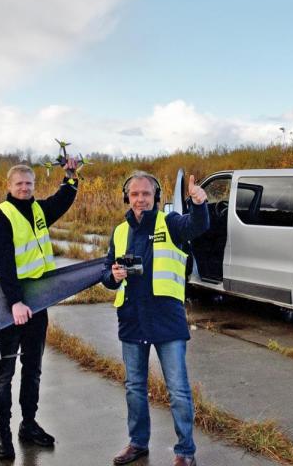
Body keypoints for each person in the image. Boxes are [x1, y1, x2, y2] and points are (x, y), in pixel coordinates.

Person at [102, 171, 209, 466]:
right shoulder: (120, 232)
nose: (140, 199)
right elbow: (105, 273)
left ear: (156, 197)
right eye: (134, 194)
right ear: (127, 197)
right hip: (132, 320)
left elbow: (197, 226)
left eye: (146, 194)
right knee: (134, 387)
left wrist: (199, 204)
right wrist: (112, 276)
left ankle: (185, 452)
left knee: (177, 389)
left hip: (166, 321)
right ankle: (138, 443)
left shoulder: (170, 223)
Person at [0, 160, 79, 460]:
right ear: (9, 187)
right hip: (10, 305)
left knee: (33, 368)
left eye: (29, 184)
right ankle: (4, 433)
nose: (25, 189)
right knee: (5, 373)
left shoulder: (38, 210)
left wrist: (71, 177)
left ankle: (28, 424)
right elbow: (3, 263)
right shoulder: (1, 217)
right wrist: (14, 302)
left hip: (36, 303)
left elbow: (62, 200)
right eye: (19, 185)